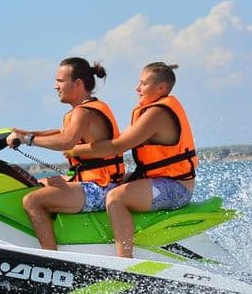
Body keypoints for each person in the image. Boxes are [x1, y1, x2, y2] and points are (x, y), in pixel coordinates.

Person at [66, 62, 197, 258]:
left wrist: (75, 150)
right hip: (160, 180)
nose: (137, 88)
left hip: (176, 188)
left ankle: (125, 262)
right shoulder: (153, 110)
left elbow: (119, 145)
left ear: (161, 88)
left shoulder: (157, 114)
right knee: (111, 183)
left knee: (115, 197)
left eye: (143, 83)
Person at [6, 57, 124, 250]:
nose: (55, 86)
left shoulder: (84, 112)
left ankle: (51, 259)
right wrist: (25, 133)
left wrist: (28, 140)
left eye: (60, 81)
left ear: (78, 84)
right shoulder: (83, 110)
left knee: (33, 200)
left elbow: (65, 141)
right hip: (93, 182)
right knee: (32, 183)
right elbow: (60, 133)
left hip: (102, 187)